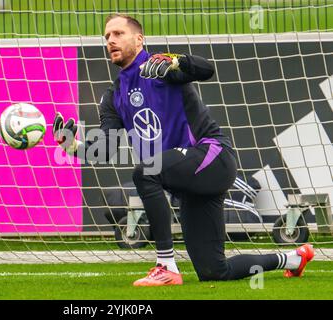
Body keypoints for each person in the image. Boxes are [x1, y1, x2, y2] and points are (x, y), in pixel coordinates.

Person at [52, 13, 315, 286]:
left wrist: (176, 60)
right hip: (189, 184)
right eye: (107, 36)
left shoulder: (160, 67)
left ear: (139, 39)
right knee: (214, 271)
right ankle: (293, 258)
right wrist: (72, 145)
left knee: (146, 172)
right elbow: (105, 149)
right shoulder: (113, 95)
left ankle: (166, 265)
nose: (110, 40)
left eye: (118, 33)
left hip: (212, 157)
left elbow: (206, 69)